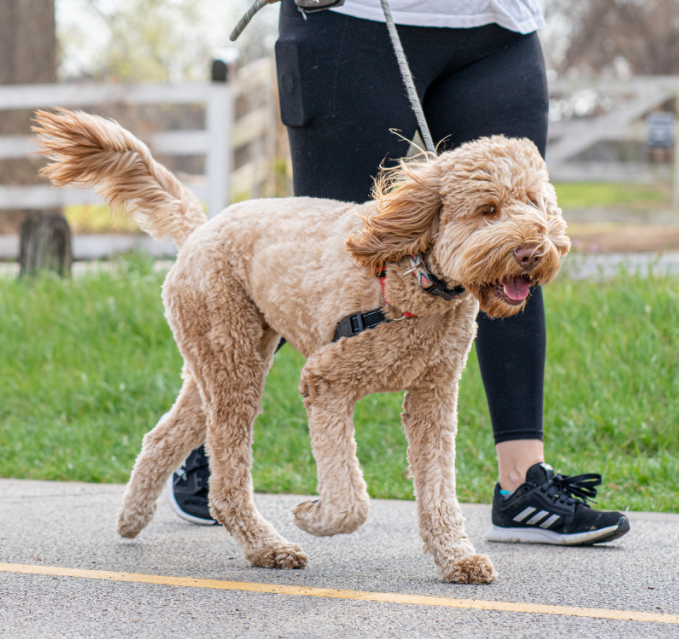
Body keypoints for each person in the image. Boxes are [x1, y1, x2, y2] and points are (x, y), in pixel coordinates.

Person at [165, 0, 629, 545]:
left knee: (512, 250)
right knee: (331, 262)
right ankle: (205, 445)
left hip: (499, 28)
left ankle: (520, 485)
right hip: (352, 20)